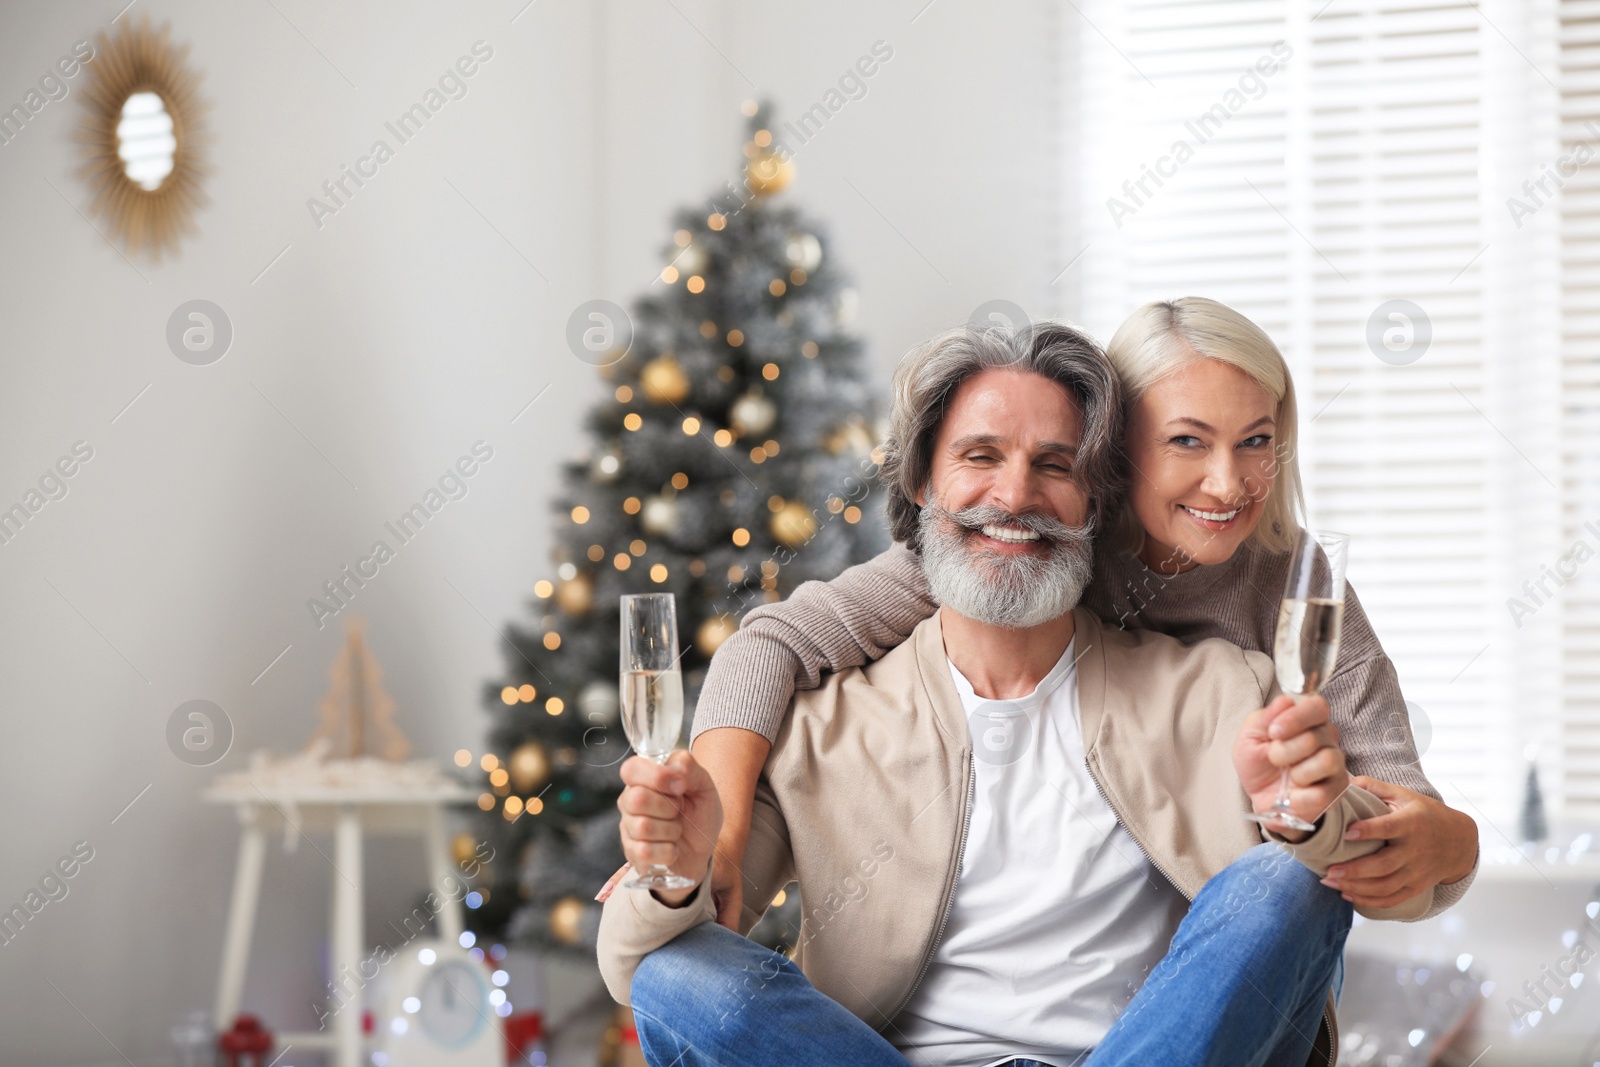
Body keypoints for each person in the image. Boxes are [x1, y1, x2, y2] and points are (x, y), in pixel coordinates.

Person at [598, 321, 1415, 1067]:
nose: (1016, 496)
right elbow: (635, 957)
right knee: (676, 977)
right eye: (981, 457)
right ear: (922, 485)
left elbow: (1349, 848)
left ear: (1096, 502)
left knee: (1285, 880)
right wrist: (676, 873)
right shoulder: (826, 720)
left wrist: (1306, 817)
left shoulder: (1218, 685)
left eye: (1055, 465)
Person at [669, 297, 1479, 930]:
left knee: (1277, 893)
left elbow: (1396, 809)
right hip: (1096, 920)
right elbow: (770, 645)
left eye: (1257, 441)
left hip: (1224, 927)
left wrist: (1456, 845)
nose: (1230, 484)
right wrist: (726, 834)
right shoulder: (1035, 547)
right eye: (1189, 442)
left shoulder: (1286, 576)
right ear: (1114, 449)